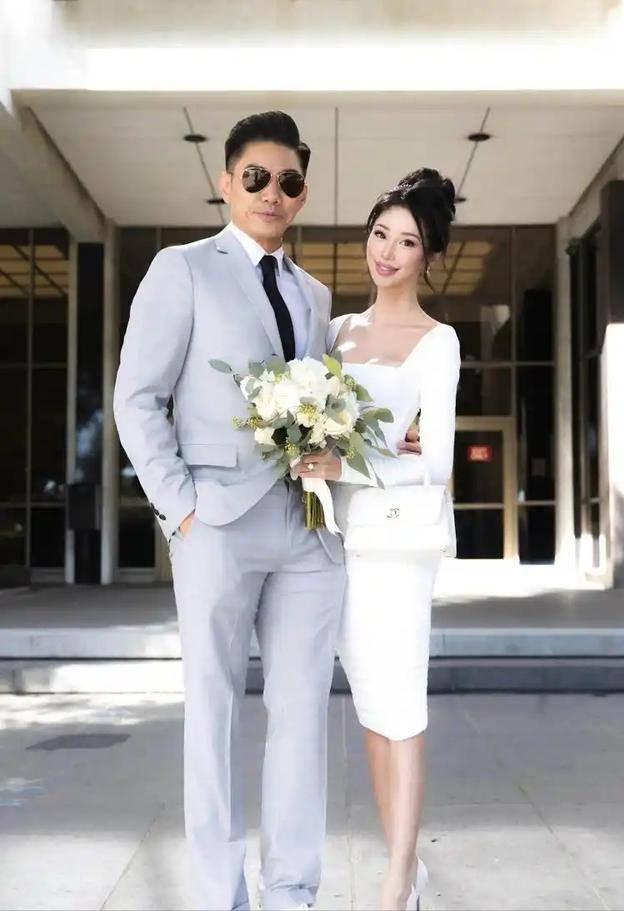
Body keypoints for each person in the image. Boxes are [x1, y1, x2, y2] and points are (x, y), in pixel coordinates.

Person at [113, 109, 420, 911]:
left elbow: (326, 403)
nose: (271, 192)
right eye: (255, 176)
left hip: (306, 530)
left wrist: (371, 443)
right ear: (226, 182)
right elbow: (137, 398)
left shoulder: (313, 293)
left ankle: (291, 890)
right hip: (214, 521)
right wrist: (181, 510)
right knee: (213, 714)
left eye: (288, 181)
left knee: (302, 718)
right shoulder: (181, 269)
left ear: (302, 192)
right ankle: (221, 895)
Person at [298, 168, 461, 911]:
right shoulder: (335, 332)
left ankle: (396, 881)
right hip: (336, 541)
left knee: (402, 704)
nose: (387, 252)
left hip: (396, 550)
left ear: (428, 255)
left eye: (407, 242)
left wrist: (350, 463)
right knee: (369, 702)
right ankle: (408, 864)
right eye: (380, 234)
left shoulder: (438, 341)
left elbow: (437, 464)